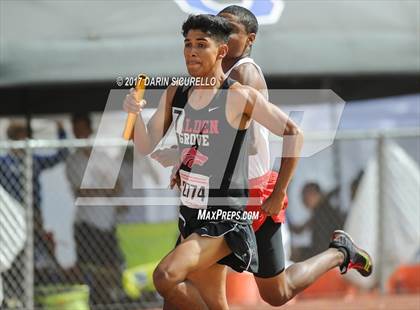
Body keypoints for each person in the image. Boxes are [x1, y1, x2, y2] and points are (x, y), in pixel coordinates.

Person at [150, 6, 372, 309]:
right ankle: (341, 252)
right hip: (219, 194)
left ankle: (340, 253)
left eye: (230, 30)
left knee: (273, 292)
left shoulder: (243, 74)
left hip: (252, 192)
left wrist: (278, 191)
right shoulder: (208, 78)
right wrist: (187, 163)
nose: (221, 33)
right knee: (200, 288)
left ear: (249, 39)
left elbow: (246, 141)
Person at [123, 12, 305, 308]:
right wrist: (134, 115)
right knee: (205, 303)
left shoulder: (239, 96)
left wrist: (279, 191)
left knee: (166, 276)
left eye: (201, 44)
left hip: (224, 218)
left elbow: (293, 133)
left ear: (221, 51)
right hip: (191, 214)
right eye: (187, 44)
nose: (192, 51)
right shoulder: (177, 93)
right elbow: (145, 145)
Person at [0, 119, 68, 302]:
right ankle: (10, 295)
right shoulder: (3, 162)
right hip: (10, 220)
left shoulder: (33, 160)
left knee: (35, 254)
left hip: (33, 215)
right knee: (12, 255)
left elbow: (61, 155)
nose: (26, 140)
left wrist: (61, 130)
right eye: (23, 137)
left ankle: (31, 294)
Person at [65, 113, 124, 304]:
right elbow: (79, 191)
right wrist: (104, 189)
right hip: (85, 221)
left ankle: (109, 299)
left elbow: (117, 187)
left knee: (109, 266)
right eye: (76, 129)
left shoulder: (103, 156)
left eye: (82, 127)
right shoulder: (73, 160)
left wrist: (100, 190)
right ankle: (93, 301)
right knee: (87, 266)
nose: (79, 132)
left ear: (89, 129)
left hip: (105, 221)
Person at [290, 182, 346, 259]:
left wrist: (301, 253)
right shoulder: (321, 210)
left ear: (314, 194)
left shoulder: (323, 214)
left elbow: (321, 248)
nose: (303, 200)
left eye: (306, 195)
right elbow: (299, 229)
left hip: (327, 257)